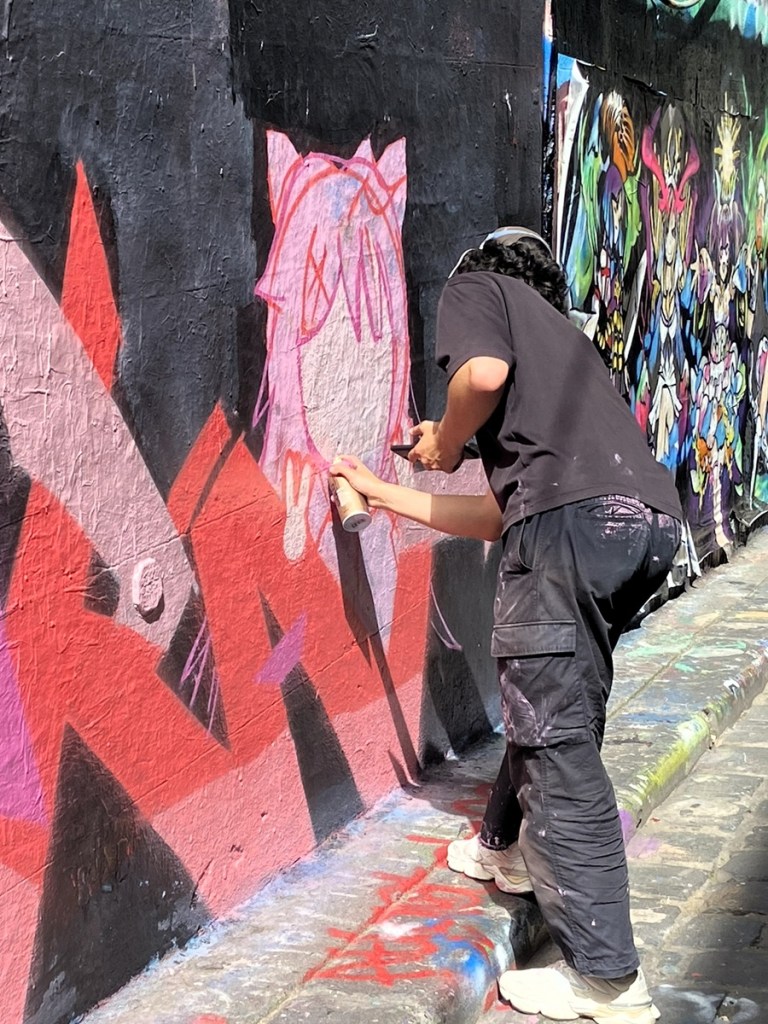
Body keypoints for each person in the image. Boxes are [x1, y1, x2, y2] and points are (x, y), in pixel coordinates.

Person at [330, 226, 682, 1024]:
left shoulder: (477, 291)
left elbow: (479, 376)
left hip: (571, 527)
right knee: (553, 690)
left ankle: (607, 978)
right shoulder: (569, 350)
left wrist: (448, 439)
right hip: (645, 523)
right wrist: (386, 492)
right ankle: (507, 849)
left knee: (553, 729)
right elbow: (497, 517)